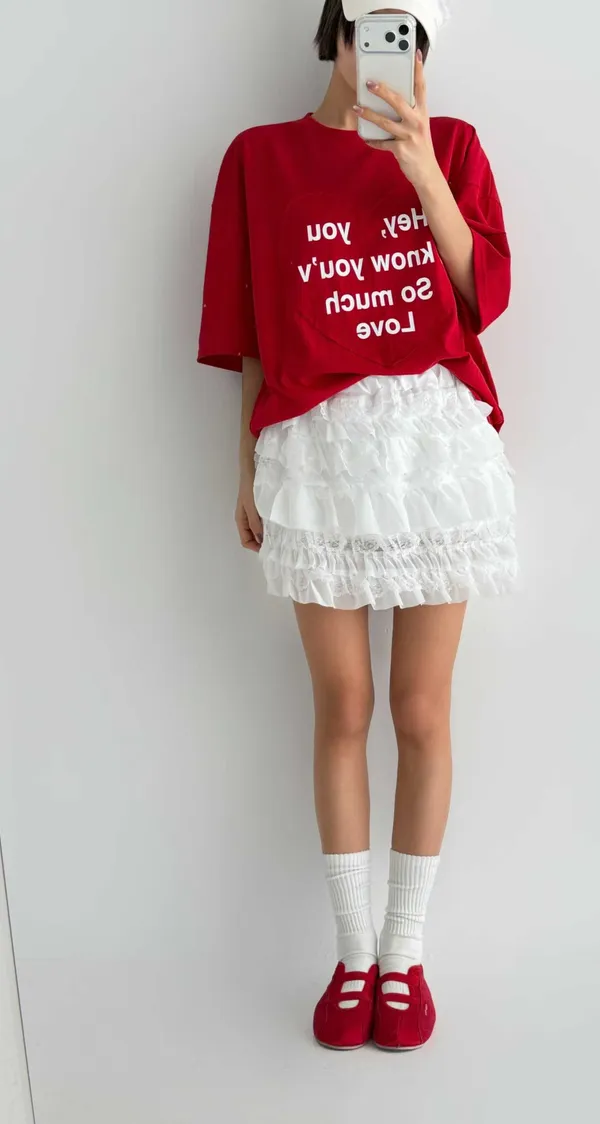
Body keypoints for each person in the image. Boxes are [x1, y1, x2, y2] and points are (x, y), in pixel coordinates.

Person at [198, 0, 516, 1051]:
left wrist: (419, 164)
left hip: (431, 447)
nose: (381, 53)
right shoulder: (259, 159)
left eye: (404, 36)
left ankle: (404, 954)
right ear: (331, 34)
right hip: (317, 448)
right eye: (365, 30)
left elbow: (482, 292)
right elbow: (249, 322)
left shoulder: (453, 146)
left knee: (421, 708)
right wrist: (247, 461)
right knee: (342, 702)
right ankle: (350, 957)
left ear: (423, 52)